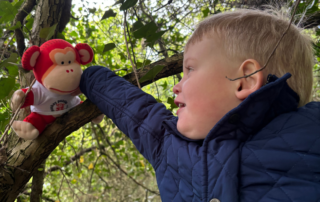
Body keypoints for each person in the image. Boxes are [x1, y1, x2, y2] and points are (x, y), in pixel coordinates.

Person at [79, 8, 320, 202]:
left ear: (244, 80)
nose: (177, 85)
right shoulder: (171, 145)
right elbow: (133, 108)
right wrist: (84, 77)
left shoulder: (312, 133)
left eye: (190, 70)